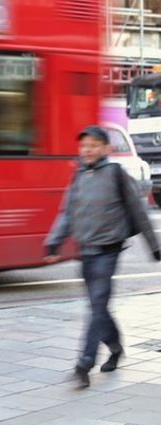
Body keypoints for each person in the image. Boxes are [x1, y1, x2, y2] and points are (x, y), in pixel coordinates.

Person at [44, 125, 160, 388]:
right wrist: (53, 243)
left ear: (106, 149)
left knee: (96, 306)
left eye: (93, 145)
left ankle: (84, 364)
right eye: (84, 146)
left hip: (109, 251)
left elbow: (138, 211)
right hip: (86, 251)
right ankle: (116, 346)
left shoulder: (116, 174)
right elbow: (67, 213)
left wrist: (154, 245)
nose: (87, 150)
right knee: (98, 308)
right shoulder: (79, 176)